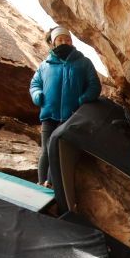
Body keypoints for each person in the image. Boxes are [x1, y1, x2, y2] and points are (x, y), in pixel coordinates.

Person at [29, 26, 100, 186]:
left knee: (56, 148)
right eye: (60, 39)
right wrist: (37, 95)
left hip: (70, 115)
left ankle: (50, 184)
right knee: (46, 150)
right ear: (53, 43)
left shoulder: (83, 62)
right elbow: (35, 84)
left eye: (67, 39)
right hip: (48, 114)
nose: (64, 42)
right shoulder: (45, 65)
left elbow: (94, 85)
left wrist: (83, 99)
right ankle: (40, 184)